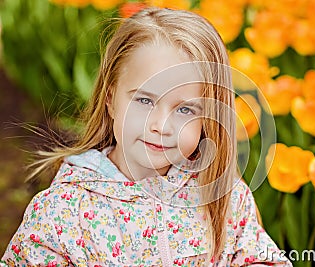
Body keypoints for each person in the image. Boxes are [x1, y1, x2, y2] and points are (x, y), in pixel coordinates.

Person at [1, 7, 292, 266]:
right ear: (111, 98)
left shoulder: (223, 195)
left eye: (185, 109)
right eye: (144, 101)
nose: (161, 125)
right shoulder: (64, 212)